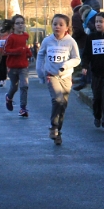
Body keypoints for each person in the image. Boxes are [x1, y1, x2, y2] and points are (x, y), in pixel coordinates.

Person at [36, 13, 81, 144]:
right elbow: (40, 55)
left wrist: (66, 65)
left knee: (63, 105)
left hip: (66, 76)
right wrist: (40, 72)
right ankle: (53, 126)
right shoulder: (47, 41)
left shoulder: (70, 41)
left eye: (61, 25)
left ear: (67, 27)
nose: (57, 27)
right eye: (55, 24)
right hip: (51, 75)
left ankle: (58, 132)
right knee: (57, 99)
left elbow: (77, 59)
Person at [2, 14, 31, 117]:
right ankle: (9, 97)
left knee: (24, 86)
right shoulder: (11, 37)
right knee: (14, 87)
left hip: (23, 66)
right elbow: (6, 50)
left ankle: (23, 108)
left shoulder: (26, 36)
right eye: (18, 23)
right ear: (13, 26)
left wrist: (28, 52)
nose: (20, 25)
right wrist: (18, 51)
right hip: (13, 66)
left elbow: (25, 48)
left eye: (22, 23)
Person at [0, 19, 11, 88]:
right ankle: (1, 80)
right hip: (0, 54)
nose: (1, 31)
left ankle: (13, 78)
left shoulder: (8, 36)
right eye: (0, 29)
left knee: (8, 66)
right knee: (1, 67)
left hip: (7, 54)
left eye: (2, 29)